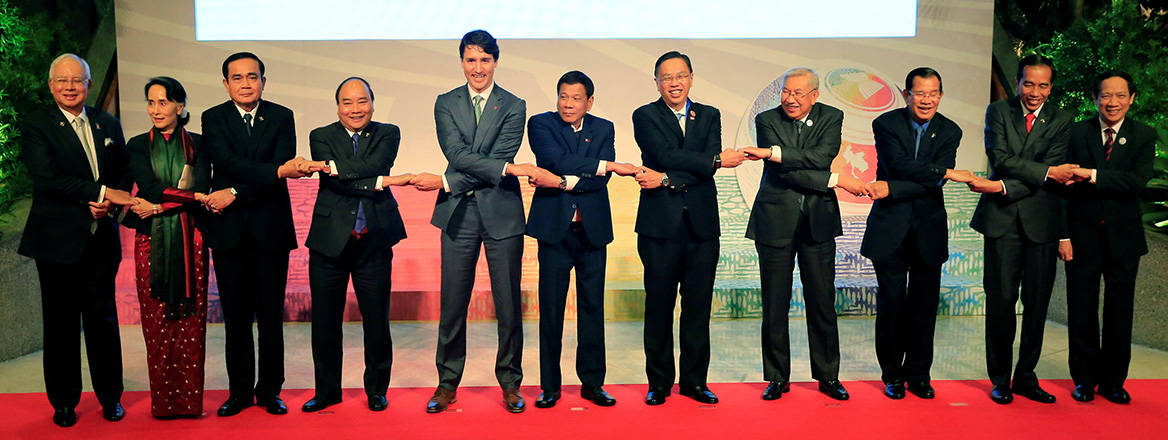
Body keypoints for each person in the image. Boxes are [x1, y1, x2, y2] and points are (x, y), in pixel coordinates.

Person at [426, 30, 546, 414]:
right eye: (471, 59)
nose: (478, 68)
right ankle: (447, 384)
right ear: (462, 62)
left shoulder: (514, 104)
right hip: (458, 212)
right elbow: (458, 154)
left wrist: (449, 179)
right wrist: (505, 168)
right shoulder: (445, 103)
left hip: (502, 213)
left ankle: (511, 383)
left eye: (485, 60)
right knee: (453, 304)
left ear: (495, 62)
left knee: (509, 304)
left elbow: (499, 155)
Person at [201, 51, 326, 417]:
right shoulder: (213, 118)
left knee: (271, 317)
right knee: (236, 318)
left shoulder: (282, 116)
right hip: (229, 232)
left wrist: (236, 191)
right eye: (237, 78)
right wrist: (270, 171)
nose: (245, 83)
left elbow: (282, 170)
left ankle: (270, 390)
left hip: (270, 230)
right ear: (226, 83)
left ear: (263, 81)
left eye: (252, 77)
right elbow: (227, 163)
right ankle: (239, 392)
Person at [19, 53, 134, 427]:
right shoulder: (38, 124)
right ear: (51, 85)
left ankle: (110, 397)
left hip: (101, 240)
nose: (70, 87)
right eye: (62, 81)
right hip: (56, 242)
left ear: (88, 83)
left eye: (77, 80)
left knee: (103, 320)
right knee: (61, 324)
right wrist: (99, 193)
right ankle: (64, 402)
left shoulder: (107, 122)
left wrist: (108, 205)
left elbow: (122, 176)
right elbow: (46, 178)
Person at [739, 67, 866, 401]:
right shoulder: (767, 120)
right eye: (786, 92)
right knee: (775, 303)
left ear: (815, 95)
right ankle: (777, 377)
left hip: (817, 221)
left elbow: (821, 158)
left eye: (798, 93)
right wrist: (833, 179)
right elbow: (786, 174)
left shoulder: (832, 116)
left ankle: (828, 375)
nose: (790, 99)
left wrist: (781, 155)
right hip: (775, 219)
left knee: (822, 301)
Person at [525, 71, 640, 409]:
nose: (568, 104)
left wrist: (563, 182)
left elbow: (598, 182)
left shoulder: (603, 128)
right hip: (554, 232)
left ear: (590, 101)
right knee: (551, 309)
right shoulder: (541, 124)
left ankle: (593, 384)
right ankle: (550, 387)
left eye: (576, 98)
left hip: (591, 232)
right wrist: (605, 165)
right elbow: (553, 161)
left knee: (592, 308)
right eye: (563, 96)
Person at [301, 77, 415, 413]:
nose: (355, 109)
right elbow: (333, 180)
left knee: (376, 321)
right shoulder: (320, 135)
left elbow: (373, 166)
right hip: (328, 242)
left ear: (372, 103)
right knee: (324, 322)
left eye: (362, 101)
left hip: (374, 241)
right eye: (347, 102)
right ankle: (327, 392)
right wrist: (383, 182)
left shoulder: (387, 132)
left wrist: (342, 170)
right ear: (338, 106)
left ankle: (377, 390)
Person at [967, 54, 1075, 405]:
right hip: (1001, 223)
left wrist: (1005, 186)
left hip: (1042, 225)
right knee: (1000, 304)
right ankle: (1000, 378)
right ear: (1017, 83)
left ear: (1051, 87)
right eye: (1029, 83)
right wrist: (1043, 173)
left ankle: (1026, 375)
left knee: (1037, 304)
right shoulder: (998, 112)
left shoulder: (1063, 119)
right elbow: (1001, 159)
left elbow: (1056, 171)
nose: (1035, 92)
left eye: (1043, 85)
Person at [632, 51, 738, 405]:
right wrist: (712, 161)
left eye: (680, 76)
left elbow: (703, 167)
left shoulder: (709, 115)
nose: (674, 83)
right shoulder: (645, 115)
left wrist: (665, 179)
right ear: (657, 82)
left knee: (698, 308)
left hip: (701, 226)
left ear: (691, 78)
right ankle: (659, 383)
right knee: (658, 306)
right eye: (666, 77)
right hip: (659, 227)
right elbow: (662, 154)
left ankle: (695, 381)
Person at [860, 68, 972, 400]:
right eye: (919, 93)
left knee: (924, 306)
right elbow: (899, 165)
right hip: (890, 228)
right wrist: (946, 172)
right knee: (892, 303)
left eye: (933, 93)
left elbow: (930, 181)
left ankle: (919, 374)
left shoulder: (951, 130)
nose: (926, 100)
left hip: (928, 229)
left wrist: (893, 187)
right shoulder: (885, 124)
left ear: (940, 95)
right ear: (907, 94)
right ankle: (892, 374)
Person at [1062, 70, 1155, 404]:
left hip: (1123, 239)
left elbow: (1136, 181)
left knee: (1120, 310)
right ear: (1094, 98)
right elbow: (1063, 188)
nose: (1112, 102)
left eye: (1120, 95)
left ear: (1131, 99)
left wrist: (1092, 174)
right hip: (1082, 236)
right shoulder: (1077, 133)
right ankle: (1084, 379)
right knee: (1081, 308)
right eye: (1105, 95)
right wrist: (1063, 235)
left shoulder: (1144, 135)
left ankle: (1114, 380)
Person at [124, 76, 212, 418]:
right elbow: (149, 185)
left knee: (191, 319)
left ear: (180, 105)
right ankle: (163, 403)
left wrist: (161, 206)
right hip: (151, 240)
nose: (156, 109)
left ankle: (190, 403)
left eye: (163, 102)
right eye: (150, 102)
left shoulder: (199, 145)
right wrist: (192, 199)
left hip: (192, 237)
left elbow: (202, 184)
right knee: (157, 319)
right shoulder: (136, 144)